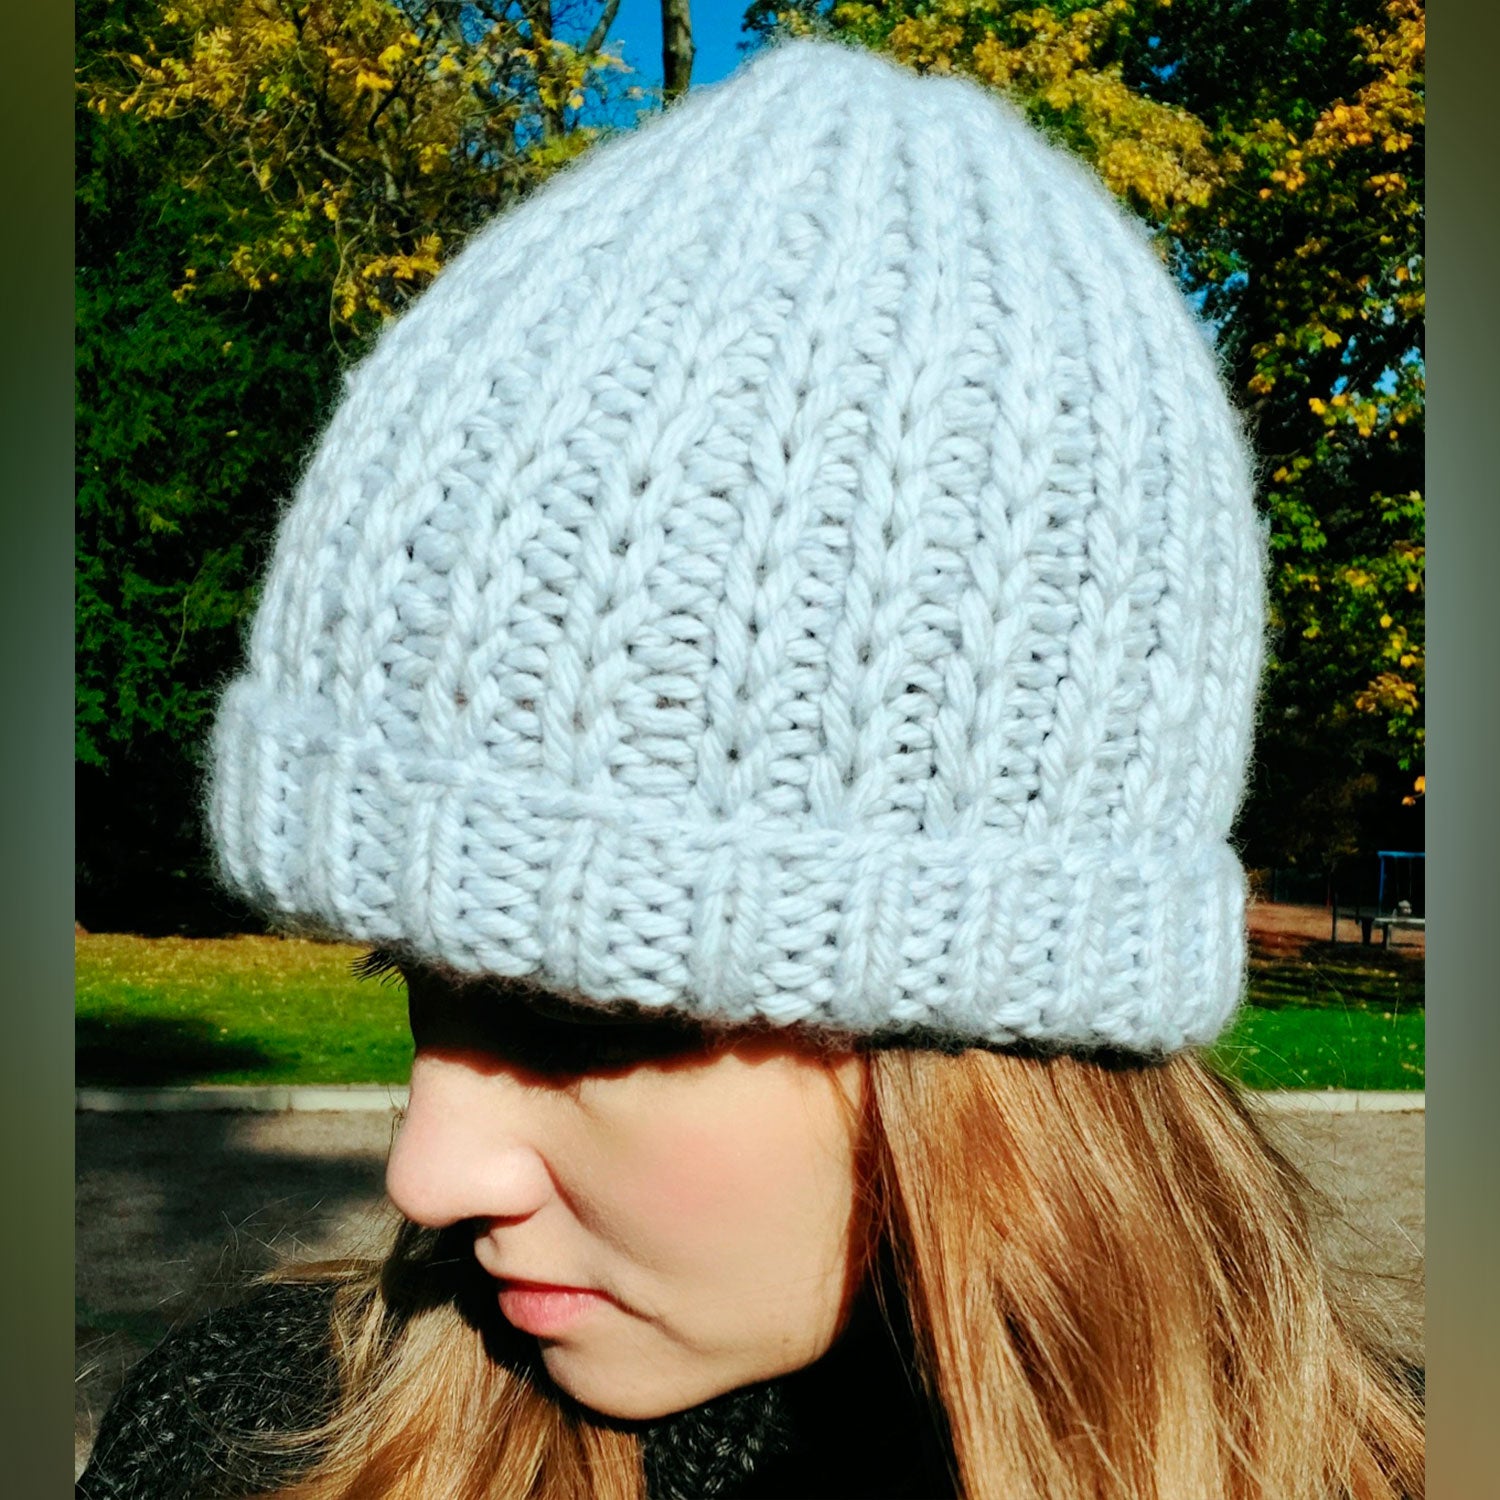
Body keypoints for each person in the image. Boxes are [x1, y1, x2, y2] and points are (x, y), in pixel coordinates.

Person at [78, 35, 1424, 1500]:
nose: (428, 1172)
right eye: (414, 982)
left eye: (583, 1023)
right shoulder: (250, 1450)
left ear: (991, 1041)